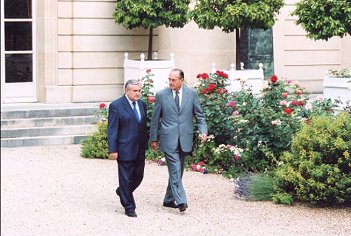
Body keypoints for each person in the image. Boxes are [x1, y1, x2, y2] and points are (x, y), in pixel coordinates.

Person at [150, 68, 208, 212]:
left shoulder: (192, 94)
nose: (170, 82)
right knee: (175, 169)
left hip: (185, 138)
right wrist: (153, 138)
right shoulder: (161, 95)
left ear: (181, 80)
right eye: (169, 79)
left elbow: (199, 116)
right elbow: (155, 119)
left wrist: (203, 131)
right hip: (168, 139)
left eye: (173, 80)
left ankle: (168, 199)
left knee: (179, 170)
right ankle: (181, 201)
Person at [107, 79, 148, 218]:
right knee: (125, 177)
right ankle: (129, 206)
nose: (138, 93)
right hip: (124, 147)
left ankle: (122, 191)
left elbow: (142, 127)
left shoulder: (142, 105)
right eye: (135, 91)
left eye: (139, 91)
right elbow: (112, 129)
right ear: (126, 90)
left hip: (139, 148)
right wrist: (113, 149)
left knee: (138, 176)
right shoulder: (116, 106)